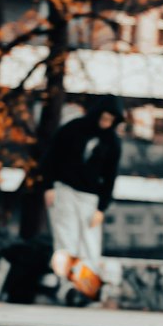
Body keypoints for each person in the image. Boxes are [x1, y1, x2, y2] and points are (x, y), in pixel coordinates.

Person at [38, 95, 124, 298]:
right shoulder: (73, 129)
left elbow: (110, 177)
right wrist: (49, 186)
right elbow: (51, 157)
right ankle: (65, 283)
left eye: (110, 121)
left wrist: (101, 208)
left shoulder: (112, 142)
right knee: (65, 238)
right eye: (103, 119)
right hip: (65, 188)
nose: (105, 124)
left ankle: (85, 286)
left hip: (90, 196)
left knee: (89, 242)